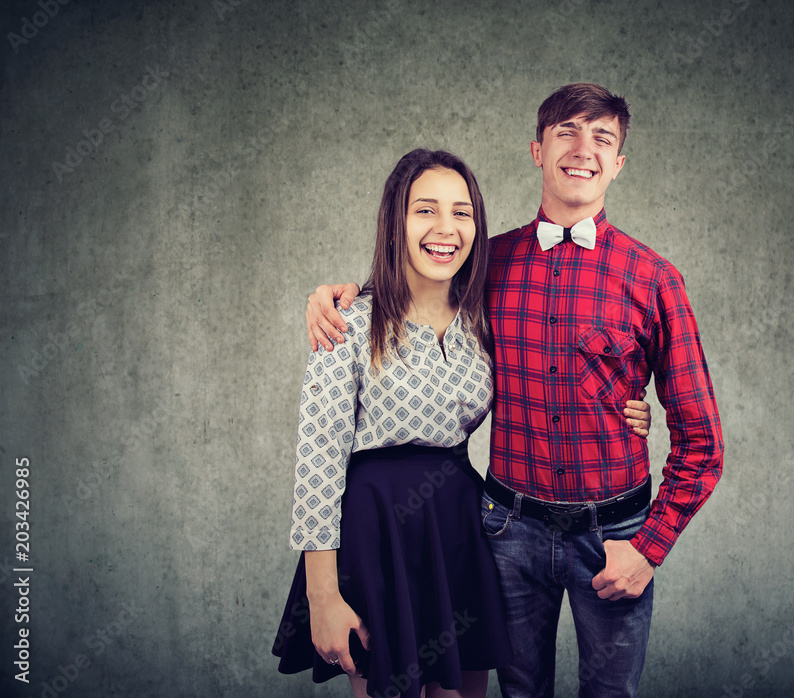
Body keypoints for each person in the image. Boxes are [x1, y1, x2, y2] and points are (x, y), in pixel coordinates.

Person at [305, 83, 723, 698]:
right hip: (503, 531)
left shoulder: (654, 279)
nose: (584, 150)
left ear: (619, 162)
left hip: (616, 535)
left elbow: (702, 443)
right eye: (567, 133)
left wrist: (649, 547)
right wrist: (336, 298)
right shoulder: (485, 265)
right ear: (536, 150)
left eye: (602, 137)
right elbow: (415, 288)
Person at [273, 147, 653, 698]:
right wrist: (322, 594)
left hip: (459, 527)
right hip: (375, 530)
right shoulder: (348, 323)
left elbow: (549, 373)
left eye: (462, 212)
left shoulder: (485, 317)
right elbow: (317, 461)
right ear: (395, 221)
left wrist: (625, 406)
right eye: (425, 210)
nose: (445, 228)